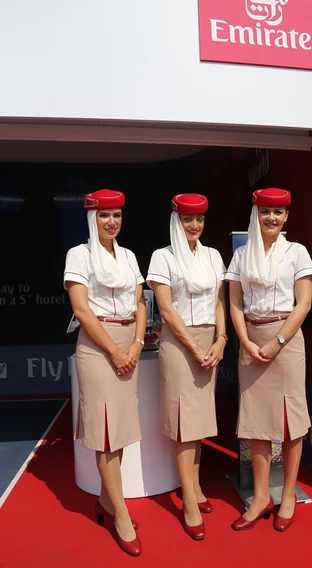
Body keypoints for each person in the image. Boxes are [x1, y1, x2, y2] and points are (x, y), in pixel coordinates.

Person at [226, 187, 312, 533]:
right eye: (266, 212)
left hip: (287, 339)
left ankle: (288, 495)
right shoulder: (241, 256)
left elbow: (304, 303)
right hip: (251, 339)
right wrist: (246, 342)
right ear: (255, 214)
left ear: (286, 217)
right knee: (256, 422)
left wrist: (278, 341)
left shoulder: (297, 252)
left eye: (278, 213)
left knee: (291, 419)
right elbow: (234, 304)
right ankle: (261, 497)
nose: (272, 219)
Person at [63, 189, 146, 556]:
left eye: (116, 215)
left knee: (121, 431)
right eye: (104, 215)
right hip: (98, 347)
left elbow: (142, 302)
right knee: (105, 432)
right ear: (90, 218)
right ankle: (122, 514)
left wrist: (137, 345)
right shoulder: (78, 255)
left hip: (130, 343)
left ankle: (106, 502)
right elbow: (81, 310)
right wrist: (114, 351)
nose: (111, 222)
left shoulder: (128, 255)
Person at [147, 193, 227, 541]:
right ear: (175, 220)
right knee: (183, 422)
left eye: (200, 219)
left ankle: (193, 487)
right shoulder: (162, 257)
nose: (194, 226)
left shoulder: (213, 255)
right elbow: (165, 309)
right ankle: (188, 502)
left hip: (210, 341)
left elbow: (221, 300)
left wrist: (222, 340)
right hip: (180, 345)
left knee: (198, 421)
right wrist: (195, 347)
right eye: (187, 219)